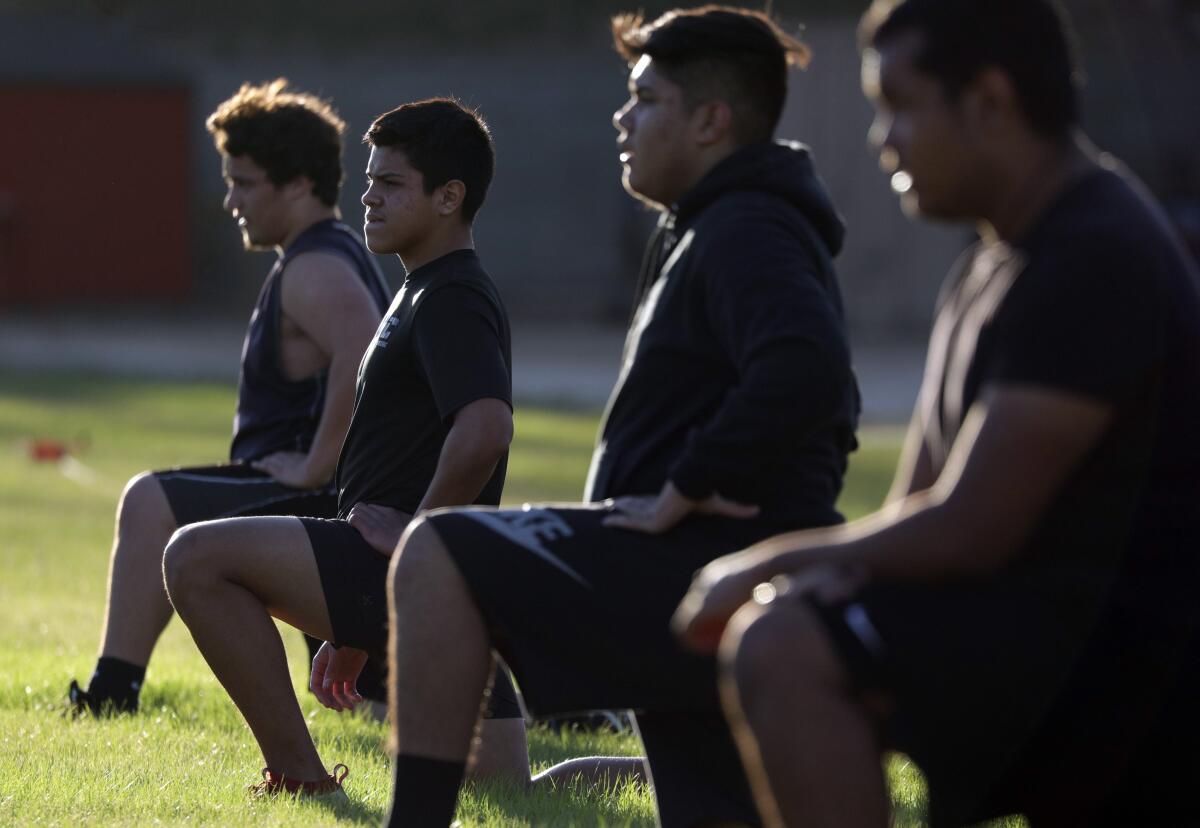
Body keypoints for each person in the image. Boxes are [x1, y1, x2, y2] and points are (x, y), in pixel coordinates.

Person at [673, 1, 1200, 826]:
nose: (885, 140)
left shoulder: (1097, 254)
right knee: (793, 622)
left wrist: (761, 564)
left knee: (784, 645)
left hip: (1131, 667)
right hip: (1039, 630)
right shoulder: (992, 264)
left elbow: (971, 529)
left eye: (901, 105)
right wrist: (818, 574)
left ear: (989, 100)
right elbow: (918, 506)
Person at [380, 7, 859, 826]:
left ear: (710, 120)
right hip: (697, 565)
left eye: (644, 98)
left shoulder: (747, 228)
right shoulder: (722, 222)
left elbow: (810, 373)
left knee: (439, 551)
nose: (621, 116)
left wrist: (689, 484)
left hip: (694, 563)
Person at [156, 97, 529, 797]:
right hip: (424, 593)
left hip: (422, 576)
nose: (368, 196)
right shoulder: (420, 290)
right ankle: (729, 784)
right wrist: (355, 625)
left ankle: (299, 775)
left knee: (195, 558)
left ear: (450, 198)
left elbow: (486, 429)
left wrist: (419, 540)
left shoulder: (451, 295)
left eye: (391, 184)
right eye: (369, 179)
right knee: (514, 795)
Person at [67, 78, 391, 716]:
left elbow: (360, 350)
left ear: (298, 184)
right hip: (323, 498)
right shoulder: (326, 254)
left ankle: (111, 695)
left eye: (244, 182)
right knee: (384, 704)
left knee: (151, 500)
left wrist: (315, 466)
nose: (230, 199)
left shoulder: (313, 268)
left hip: (315, 496)